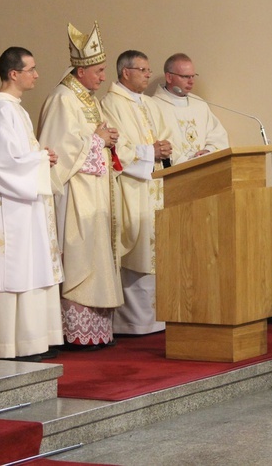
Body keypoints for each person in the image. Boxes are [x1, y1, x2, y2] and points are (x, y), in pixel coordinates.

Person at [37, 21, 125, 349]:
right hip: (75, 193)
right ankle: (74, 330)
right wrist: (96, 140)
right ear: (83, 69)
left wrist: (107, 139)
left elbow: (92, 138)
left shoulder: (88, 98)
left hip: (95, 190)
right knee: (79, 256)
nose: (104, 77)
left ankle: (96, 331)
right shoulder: (63, 98)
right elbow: (59, 148)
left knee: (97, 254)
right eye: (99, 70)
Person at [0, 47, 64, 361]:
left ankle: (32, 341)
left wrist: (42, 159)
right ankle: (12, 344)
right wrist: (40, 159)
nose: (37, 75)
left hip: (24, 204)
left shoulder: (14, 108)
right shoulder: (1, 110)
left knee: (31, 268)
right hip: (9, 207)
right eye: (31, 69)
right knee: (16, 270)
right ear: (14, 74)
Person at [101, 50, 177, 335]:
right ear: (125, 72)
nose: (148, 74)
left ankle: (159, 317)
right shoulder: (110, 104)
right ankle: (132, 322)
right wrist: (150, 152)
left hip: (154, 185)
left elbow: (166, 137)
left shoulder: (149, 104)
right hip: (132, 188)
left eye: (148, 69)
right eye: (143, 70)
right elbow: (116, 151)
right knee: (138, 250)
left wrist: (166, 149)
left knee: (156, 249)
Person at [151, 53, 229, 161]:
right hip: (174, 173)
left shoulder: (199, 104)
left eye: (193, 76)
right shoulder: (153, 105)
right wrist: (187, 160)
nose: (191, 81)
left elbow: (218, 136)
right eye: (185, 77)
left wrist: (208, 151)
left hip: (205, 168)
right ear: (169, 77)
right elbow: (156, 145)